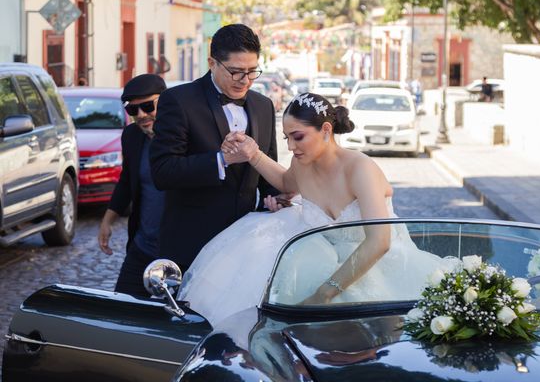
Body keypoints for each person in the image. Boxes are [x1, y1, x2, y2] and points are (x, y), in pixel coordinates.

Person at [178, 92, 445, 326]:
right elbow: (285, 182)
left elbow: (379, 242)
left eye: (298, 137)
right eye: (287, 139)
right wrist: (252, 153)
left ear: (326, 130)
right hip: (320, 261)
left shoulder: (360, 168)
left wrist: (324, 293)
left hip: (380, 272)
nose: (291, 147)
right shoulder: (302, 165)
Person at [149, 24, 280, 272]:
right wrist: (222, 160)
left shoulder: (264, 106)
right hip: (192, 246)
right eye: (236, 71)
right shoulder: (178, 101)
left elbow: (266, 172)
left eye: (253, 71)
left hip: (246, 247)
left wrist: (275, 197)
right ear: (212, 63)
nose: (245, 80)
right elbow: (162, 172)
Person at [98, 74, 167, 297]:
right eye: (133, 110)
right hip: (142, 246)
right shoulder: (131, 136)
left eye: (148, 106)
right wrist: (107, 221)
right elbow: (127, 180)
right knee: (123, 309)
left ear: (166, 102)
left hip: (179, 251)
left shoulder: (187, 136)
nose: (141, 115)